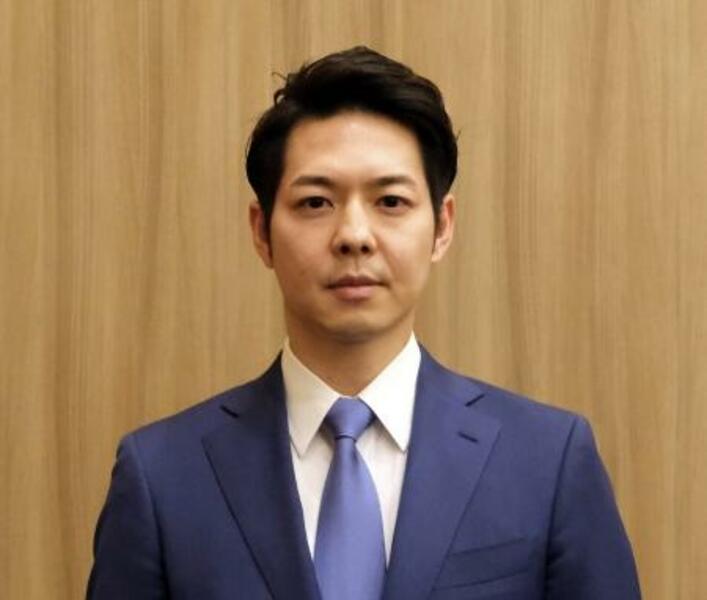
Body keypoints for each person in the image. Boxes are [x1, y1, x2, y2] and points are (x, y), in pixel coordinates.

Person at [87, 46, 641, 599]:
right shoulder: (162, 476)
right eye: (315, 203)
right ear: (261, 231)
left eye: (391, 201)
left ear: (442, 226)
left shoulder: (547, 460)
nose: (354, 235)